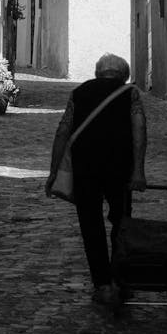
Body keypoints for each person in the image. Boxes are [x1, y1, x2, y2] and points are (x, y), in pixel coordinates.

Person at [45, 53, 147, 307]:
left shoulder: (78, 93)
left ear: (97, 73)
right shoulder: (129, 94)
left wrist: (53, 171)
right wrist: (138, 171)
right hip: (119, 168)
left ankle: (102, 285)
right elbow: (139, 130)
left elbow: (63, 130)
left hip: (85, 168)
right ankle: (121, 281)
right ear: (123, 75)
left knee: (91, 225)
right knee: (121, 222)